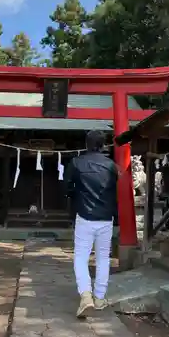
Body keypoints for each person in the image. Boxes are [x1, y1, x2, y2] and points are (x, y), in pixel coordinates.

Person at [65, 130, 118, 318]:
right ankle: (100, 298)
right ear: (103, 145)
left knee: (81, 257)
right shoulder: (112, 166)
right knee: (103, 257)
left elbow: (67, 188)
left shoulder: (76, 163)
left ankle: (85, 295)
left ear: (86, 144)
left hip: (84, 216)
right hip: (106, 218)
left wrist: (76, 198)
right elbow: (115, 190)